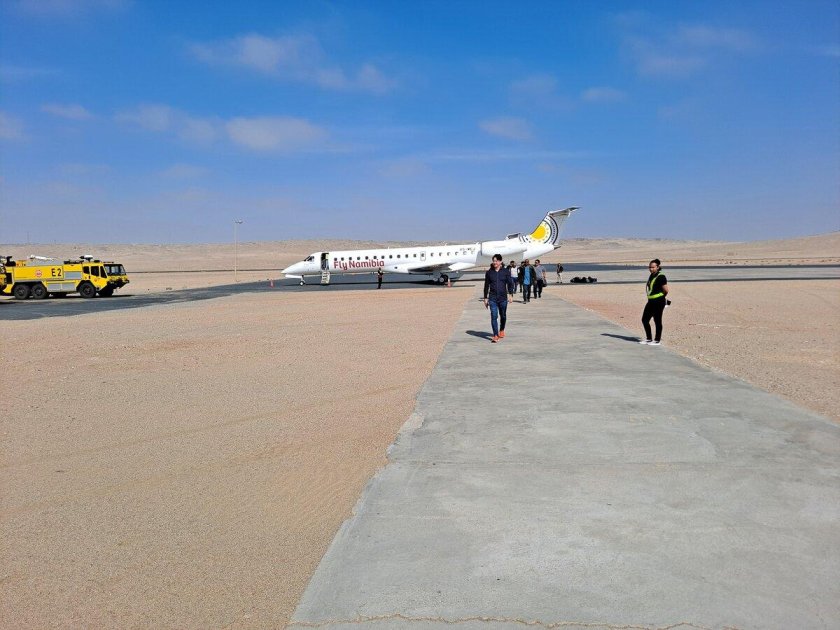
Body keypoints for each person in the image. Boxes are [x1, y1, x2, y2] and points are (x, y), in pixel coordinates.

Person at [483, 254, 515, 343]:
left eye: (496, 261)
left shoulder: (505, 272)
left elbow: (510, 284)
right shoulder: (489, 272)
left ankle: (501, 329)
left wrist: (511, 294)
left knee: (503, 315)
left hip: (503, 298)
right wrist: (485, 298)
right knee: (494, 316)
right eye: (493, 260)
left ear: (500, 261)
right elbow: (486, 286)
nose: (494, 262)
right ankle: (495, 335)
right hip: (492, 298)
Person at [640, 259, 669, 346]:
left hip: (659, 302)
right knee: (645, 320)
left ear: (658, 267)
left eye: (653, 267)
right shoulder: (652, 275)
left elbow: (666, 290)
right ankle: (649, 339)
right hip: (651, 301)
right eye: (650, 267)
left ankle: (657, 340)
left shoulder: (661, 276)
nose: (651, 269)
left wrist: (662, 298)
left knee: (657, 320)